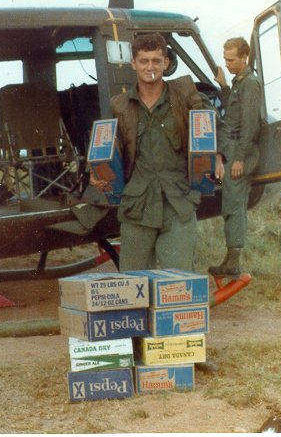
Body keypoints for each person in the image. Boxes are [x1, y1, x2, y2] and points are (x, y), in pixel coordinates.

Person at [110, 33, 215, 272]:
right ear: (133, 64)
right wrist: (98, 173)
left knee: (178, 285)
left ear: (166, 63)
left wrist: (219, 155)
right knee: (134, 286)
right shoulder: (120, 105)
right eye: (144, 61)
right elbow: (108, 149)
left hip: (178, 205)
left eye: (156, 61)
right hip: (137, 208)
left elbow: (214, 124)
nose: (150, 67)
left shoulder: (184, 94)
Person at [208, 37, 262, 278]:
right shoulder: (240, 83)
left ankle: (233, 262)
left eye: (231, 60)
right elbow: (234, 111)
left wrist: (239, 158)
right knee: (231, 202)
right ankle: (231, 260)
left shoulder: (250, 84)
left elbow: (250, 125)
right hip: (232, 149)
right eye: (226, 59)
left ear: (244, 58)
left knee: (234, 204)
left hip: (240, 153)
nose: (228, 64)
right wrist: (224, 86)